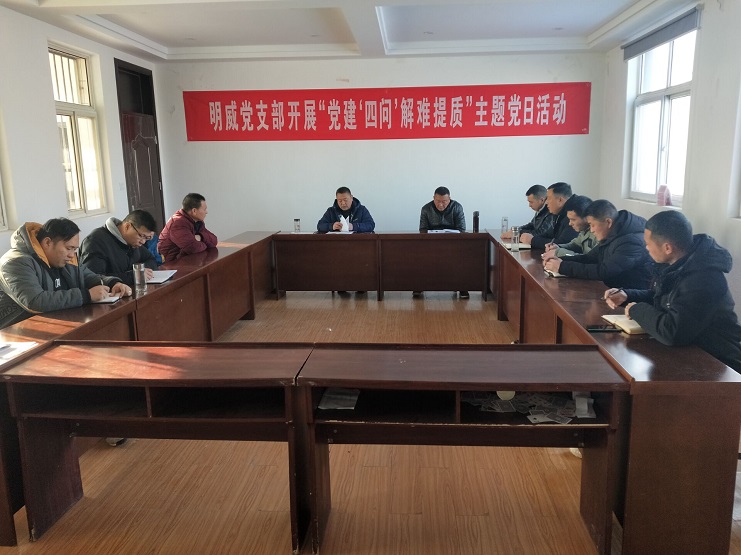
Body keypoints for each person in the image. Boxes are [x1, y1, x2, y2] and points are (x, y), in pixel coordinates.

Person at [604, 211, 741, 372]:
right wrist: (627, 295)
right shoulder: (678, 264)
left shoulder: (704, 279)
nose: (646, 248)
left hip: (718, 363)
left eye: (648, 244)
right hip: (689, 353)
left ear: (667, 247)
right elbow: (663, 298)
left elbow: (672, 332)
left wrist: (636, 309)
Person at [0, 218, 132, 329]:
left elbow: (88, 277)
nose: (72, 255)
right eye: (69, 248)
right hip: (18, 333)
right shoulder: (15, 263)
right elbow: (35, 301)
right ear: (47, 242)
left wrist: (113, 283)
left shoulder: (64, 259)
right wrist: (86, 295)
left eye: (74, 249)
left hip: (57, 324)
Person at [543, 199, 652, 289]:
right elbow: (589, 258)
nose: (591, 230)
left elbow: (604, 271)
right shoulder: (612, 233)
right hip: (612, 289)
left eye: (592, 225)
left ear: (608, 222)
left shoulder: (631, 242)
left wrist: (563, 267)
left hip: (628, 295)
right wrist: (559, 260)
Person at [79, 210, 159, 287]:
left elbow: (151, 260)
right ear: (127, 226)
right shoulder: (95, 241)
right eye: (142, 236)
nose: (143, 242)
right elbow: (93, 279)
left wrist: (140, 271)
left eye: (147, 238)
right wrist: (133, 276)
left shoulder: (133, 243)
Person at [417, 187, 468, 298]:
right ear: (433, 198)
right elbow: (423, 230)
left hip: (453, 243)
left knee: (463, 255)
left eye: (444, 201)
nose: (441, 204)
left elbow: (461, 229)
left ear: (449, 199)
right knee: (418, 256)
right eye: (438, 201)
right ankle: (419, 286)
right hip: (431, 243)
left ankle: (462, 286)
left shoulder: (457, 207)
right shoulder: (426, 209)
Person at [159, 193, 218, 261]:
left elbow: (214, 240)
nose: (206, 212)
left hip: (185, 259)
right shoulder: (178, 223)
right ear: (194, 211)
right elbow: (193, 248)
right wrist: (205, 243)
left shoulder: (197, 222)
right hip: (170, 263)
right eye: (204, 209)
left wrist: (200, 237)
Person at [541, 195, 597, 261]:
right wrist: (557, 247)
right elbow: (575, 245)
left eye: (573, 219)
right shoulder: (584, 230)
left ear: (586, 217)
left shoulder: (598, 234)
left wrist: (558, 252)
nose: (570, 223)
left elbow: (589, 259)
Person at [524, 182, 579, 248]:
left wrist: (532, 240)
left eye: (549, 198)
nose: (546, 202)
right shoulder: (558, 213)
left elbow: (563, 244)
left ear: (560, 200)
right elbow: (550, 235)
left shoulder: (574, 213)